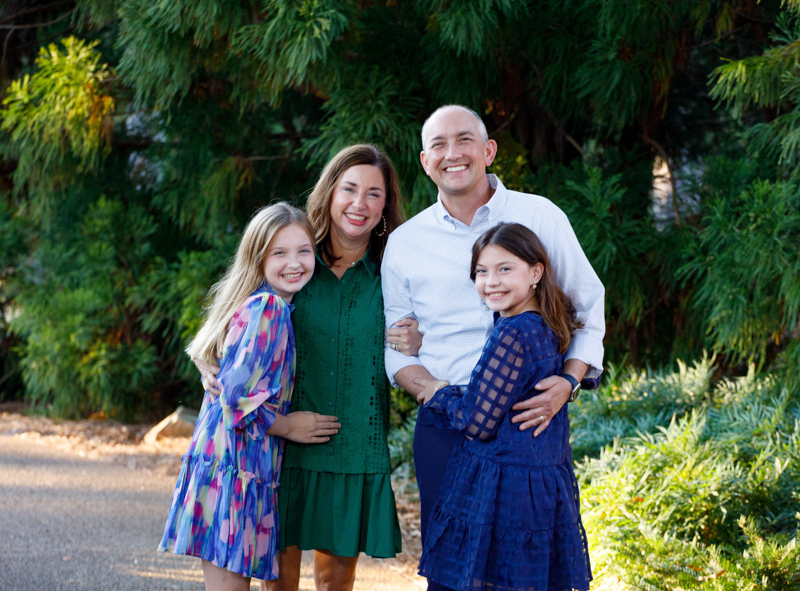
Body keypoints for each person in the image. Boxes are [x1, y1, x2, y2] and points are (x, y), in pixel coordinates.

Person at [381, 104, 604, 591]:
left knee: (526, 574)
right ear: (425, 161)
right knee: (453, 576)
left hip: (530, 429)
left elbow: (589, 305)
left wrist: (568, 382)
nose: (452, 153)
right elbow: (398, 348)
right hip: (445, 428)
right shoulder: (405, 242)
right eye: (438, 145)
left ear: (488, 150)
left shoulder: (538, 215)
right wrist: (432, 389)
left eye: (464, 140)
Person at [197, 145, 417, 591]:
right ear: (329, 193)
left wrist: (419, 343)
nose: (359, 203)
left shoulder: (397, 270)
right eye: (349, 189)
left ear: (385, 205)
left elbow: (438, 331)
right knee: (279, 583)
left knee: (337, 583)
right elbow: (234, 322)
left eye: (373, 193)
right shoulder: (294, 258)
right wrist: (208, 361)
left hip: (354, 442)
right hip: (283, 444)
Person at [159, 203, 341, 591]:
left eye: (303, 251)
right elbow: (235, 400)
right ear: (258, 259)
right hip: (234, 467)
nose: (294, 263)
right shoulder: (269, 309)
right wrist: (288, 425)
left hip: (234, 465)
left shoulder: (269, 305)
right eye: (279, 252)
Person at [416, 222, 592, 591]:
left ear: (536, 272)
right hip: (542, 479)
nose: (490, 281)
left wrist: (438, 392)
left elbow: (476, 422)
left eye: (504, 269)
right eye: (481, 272)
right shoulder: (548, 321)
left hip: (505, 485)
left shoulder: (513, 332)